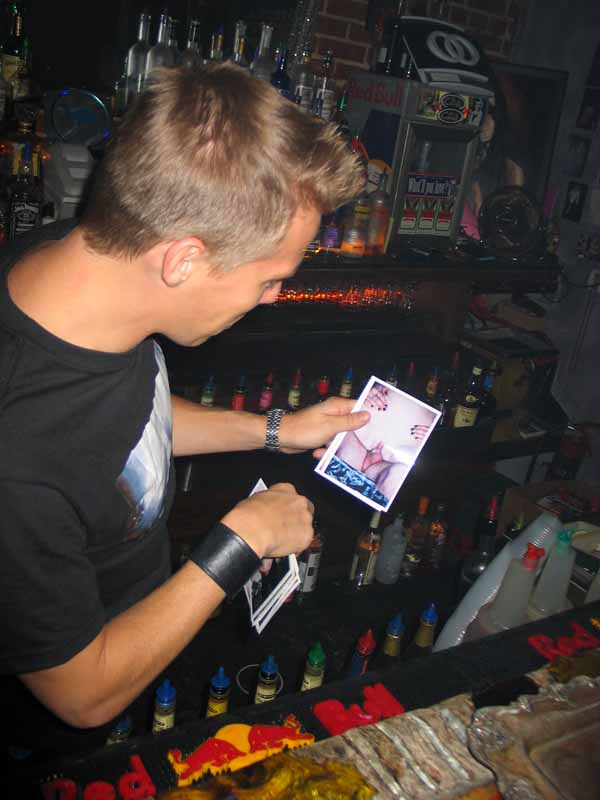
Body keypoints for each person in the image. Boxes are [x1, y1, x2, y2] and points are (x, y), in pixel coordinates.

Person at [0, 63, 367, 766]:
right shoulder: (16, 453)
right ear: (184, 261)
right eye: (271, 278)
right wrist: (240, 542)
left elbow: (124, 421)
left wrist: (278, 430)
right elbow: (82, 693)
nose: (271, 298)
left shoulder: (76, 267)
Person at [329, 382, 435, 503]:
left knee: (397, 475)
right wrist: (367, 391)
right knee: (348, 455)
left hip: (390, 462)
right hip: (356, 433)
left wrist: (433, 439)